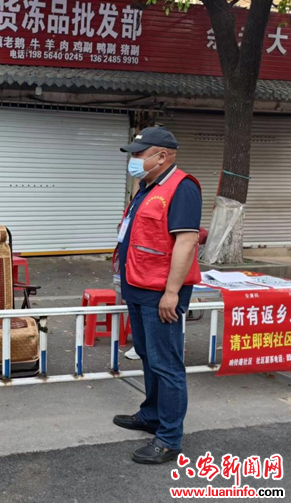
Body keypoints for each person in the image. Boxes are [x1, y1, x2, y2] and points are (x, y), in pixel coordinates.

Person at [113, 126, 202, 465]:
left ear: (162, 156)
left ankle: (169, 438)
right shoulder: (147, 187)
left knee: (166, 364)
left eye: (139, 154)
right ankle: (151, 415)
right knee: (148, 356)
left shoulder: (182, 187)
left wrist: (172, 292)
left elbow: (186, 242)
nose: (134, 161)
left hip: (161, 293)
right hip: (138, 286)